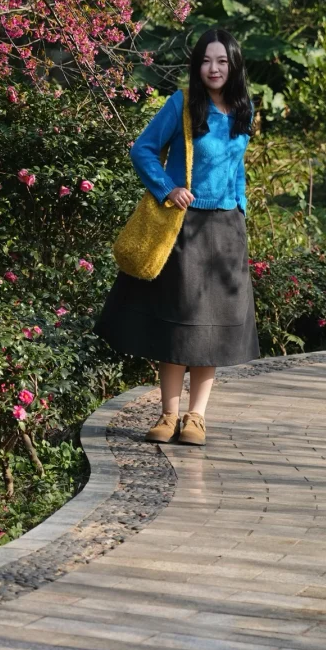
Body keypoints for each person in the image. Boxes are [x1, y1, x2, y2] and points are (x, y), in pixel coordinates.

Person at [95, 26, 259, 446]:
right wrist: (167, 188)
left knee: (213, 329)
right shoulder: (183, 104)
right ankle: (168, 415)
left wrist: (240, 207)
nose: (213, 68)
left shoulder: (245, 109)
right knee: (178, 325)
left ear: (234, 65)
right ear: (197, 65)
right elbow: (143, 149)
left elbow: (237, 166)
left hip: (226, 231)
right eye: (206, 60)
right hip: (182, 228)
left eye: (222, 61)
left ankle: (196, 418)